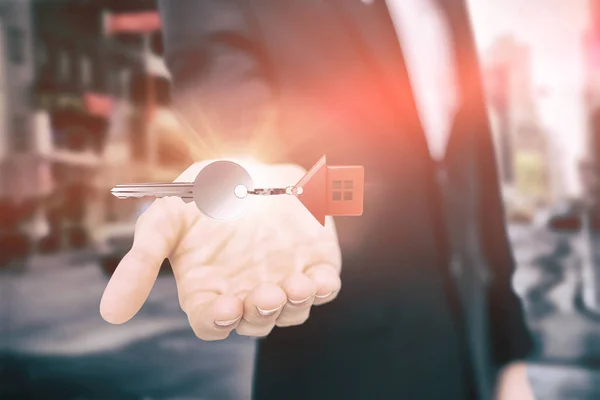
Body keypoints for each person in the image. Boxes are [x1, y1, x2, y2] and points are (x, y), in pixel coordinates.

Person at [100, 0, 536, 399]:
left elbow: (475, 177)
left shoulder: (451, 10)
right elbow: (218, 62)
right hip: (345, 364)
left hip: (472, 363)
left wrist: (509, 355)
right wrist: (243, 169)